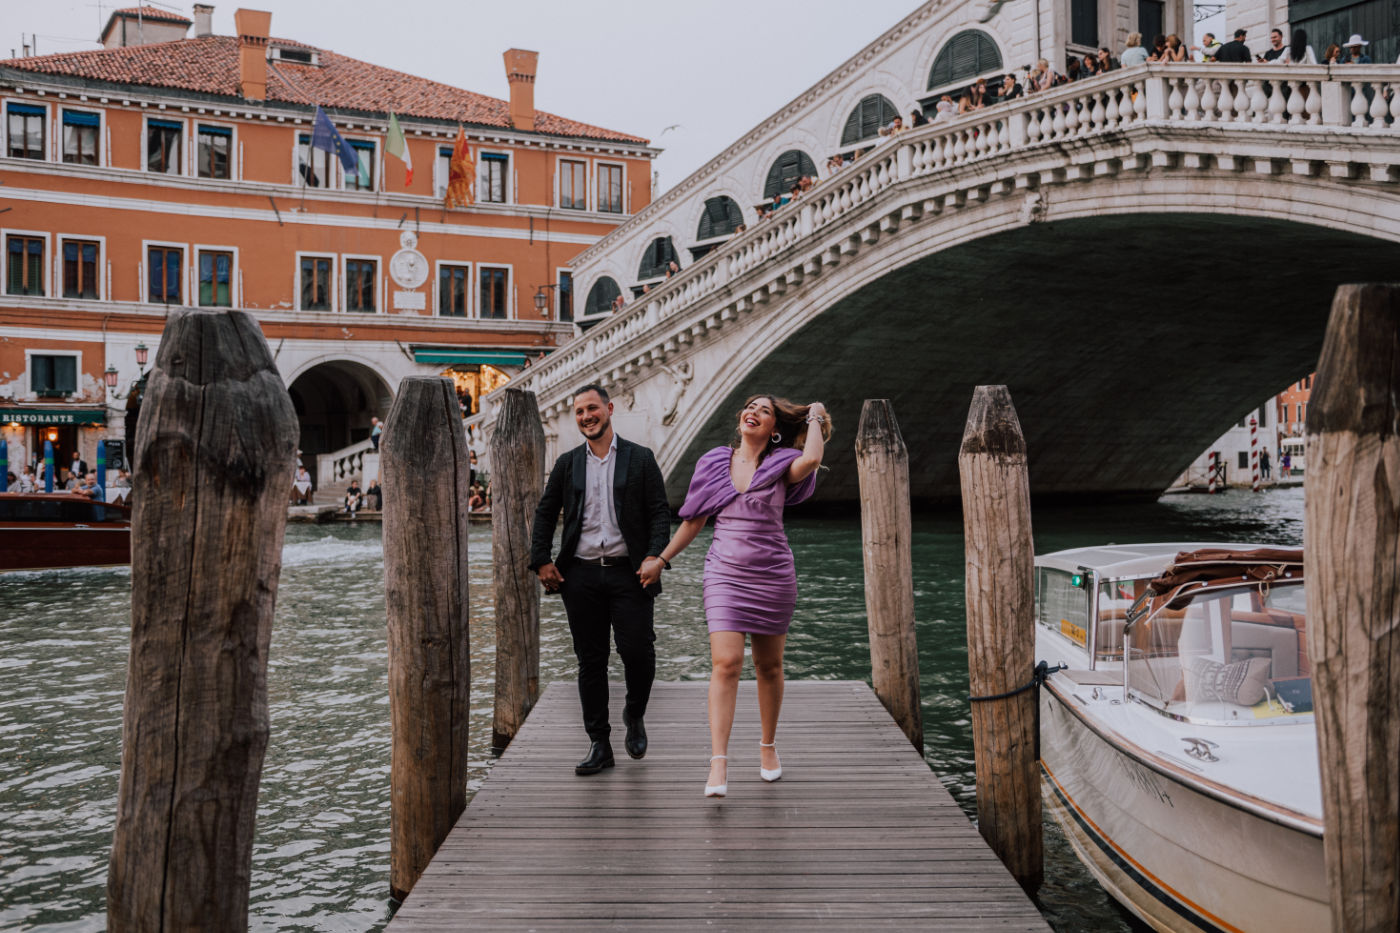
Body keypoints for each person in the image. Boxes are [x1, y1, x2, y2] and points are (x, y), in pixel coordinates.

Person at [648, 395, 831, 797]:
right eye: (750, 406)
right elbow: (694, 521)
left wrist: (815, 414)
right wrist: (661, 558)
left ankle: (767, 748)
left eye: (765, 410)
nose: (754, 412)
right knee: (726, 663)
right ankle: (718, 762)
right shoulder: (713, 461)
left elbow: (813, 459)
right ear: (740, 419)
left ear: (774, 428)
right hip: (724, 573)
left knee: (769, 666)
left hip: (772, 573)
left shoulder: (784, 464)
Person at [530, 384, 670, 776]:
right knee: (590, 662)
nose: (586, 416)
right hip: (581, 575)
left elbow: (660, 513)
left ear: (608, 409)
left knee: (638, 653)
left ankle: (635, 712)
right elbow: (545, 514)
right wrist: (540, 560)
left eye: (592, 408)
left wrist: (655, 556)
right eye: (578, 412)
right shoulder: (567, 463)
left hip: (632, 573)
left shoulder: (641, 459)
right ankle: (599, 743)